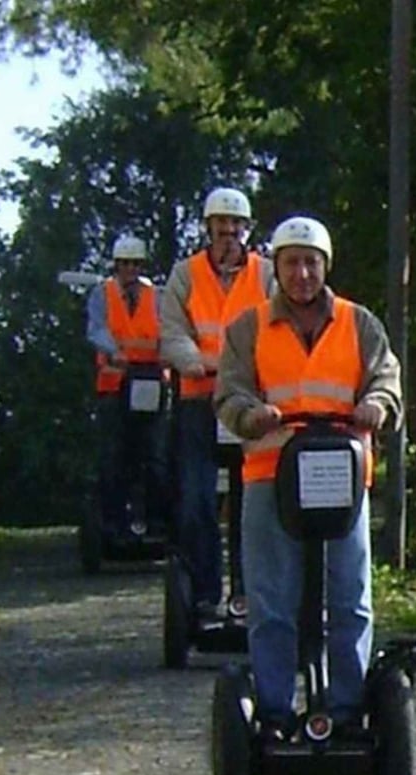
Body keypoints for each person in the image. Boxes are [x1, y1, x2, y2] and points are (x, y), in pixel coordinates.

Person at [214, 215, 402, 738]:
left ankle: (345, 710)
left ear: (325, 266)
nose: (301, 273)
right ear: (277, 267)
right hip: (271, 477)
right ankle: (273, 712)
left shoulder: (358, 323)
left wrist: (375, 407)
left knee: (350, 598)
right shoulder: (248, 327)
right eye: (292, 262)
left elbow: (387, 380)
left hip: (342, 481)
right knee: (272, 603)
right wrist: (251, 416)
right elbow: (228, 392)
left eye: (311, 263)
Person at [159, 187, 272, 622]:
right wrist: (198, 363)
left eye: (235, 230)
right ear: (207, 229)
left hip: (248, 406)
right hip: (198, 400)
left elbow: (276, 327)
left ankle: (247, 594)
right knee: (194, 500)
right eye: (220, 230)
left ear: (246, 231)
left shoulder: (265, 276)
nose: (228, 238)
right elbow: (171, 332)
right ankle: (204, 592)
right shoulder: (185, 275)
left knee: (254, 500)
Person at [86, 235, 166, 541]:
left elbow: (168, 328)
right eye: (125, 264)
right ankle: (112, 523)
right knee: (113, 456)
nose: (130, 269)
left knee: (155, 456)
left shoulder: (155, 295)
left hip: (152, 383)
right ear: (117, 265)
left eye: (135, 264)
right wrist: (113, 350)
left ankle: (157, 520)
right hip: (114, 385)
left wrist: (169, 352)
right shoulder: (101, 293)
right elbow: (96, 328)